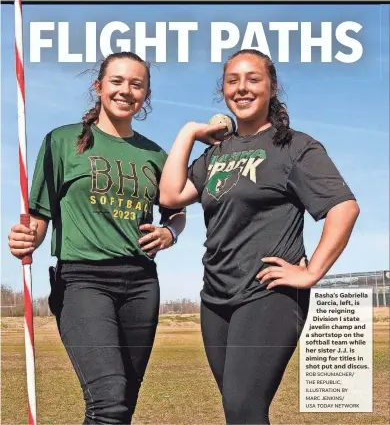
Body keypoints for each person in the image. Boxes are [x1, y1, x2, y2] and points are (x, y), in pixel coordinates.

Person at [159, 49, 360, 425]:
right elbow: (170, 195)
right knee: (240, 413)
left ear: (272, 87)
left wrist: (312, 271)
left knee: (244, 409)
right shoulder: (216, 153)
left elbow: (343, 207)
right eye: (233, 80)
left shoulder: (295, 146)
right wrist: (189, 131)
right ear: (223, 90)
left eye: (253, 79)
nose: (242, 88)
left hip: (270, 295)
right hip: (215, 298)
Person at [8, 51, 185, 425]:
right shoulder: (62, 142)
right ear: (99, 87)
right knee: (109, 403)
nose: (126, 90)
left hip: (140, 284)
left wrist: (170, 231)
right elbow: (40, 215)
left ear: (146, 94)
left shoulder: (156, 155)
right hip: (83, 280)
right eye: (117, 81)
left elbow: (176, 209)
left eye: (136, 84)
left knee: (121, 407)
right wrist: (27, 239)